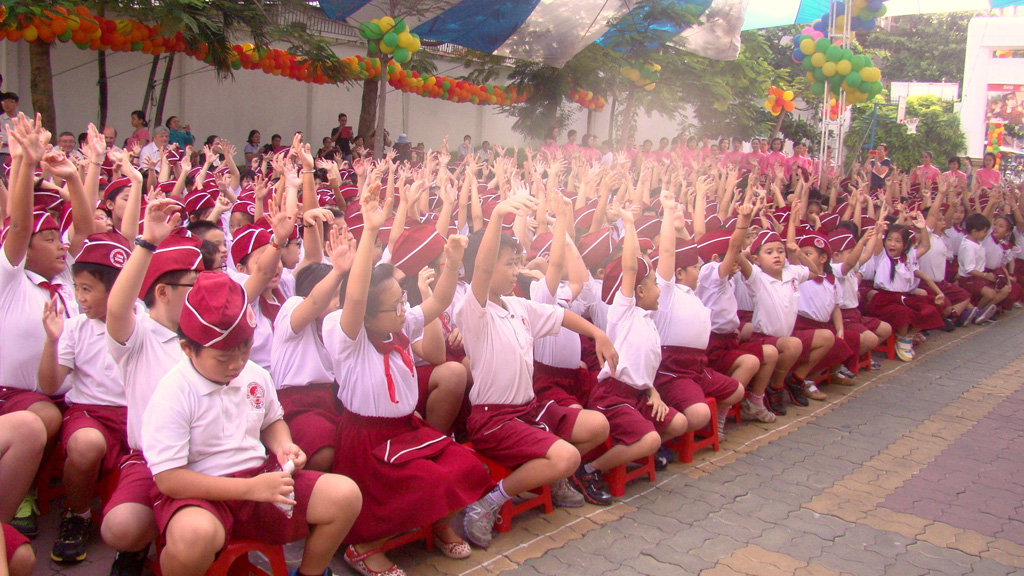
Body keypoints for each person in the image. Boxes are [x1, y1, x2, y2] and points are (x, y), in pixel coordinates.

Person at [141, 271, 361, 576]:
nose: (237, 363)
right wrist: (249, 488)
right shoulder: (173, 392)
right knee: (193, 537)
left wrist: (284, 446)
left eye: (245, 349)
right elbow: (169, 479)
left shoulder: (254, 374)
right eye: (222, 358)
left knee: (345, 496)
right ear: (188, 349)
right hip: (201, 495)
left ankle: (310, 573)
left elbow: (272, 421)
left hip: (260, 483)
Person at [323, 182, 492, 575]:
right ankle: (363, 547)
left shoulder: (398, 326)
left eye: (402, 300)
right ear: (367, 313)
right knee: (426, 480)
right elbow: (356, 299)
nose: (404, 309)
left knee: (461, 465)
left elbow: (436, 303)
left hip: (405, 429)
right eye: (394, 305)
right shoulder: (348, 335)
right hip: (367, 440)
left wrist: (451, 262)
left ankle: (438, 523)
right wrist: (368, 231)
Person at [456, 194, 613, 548]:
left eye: (517, 263)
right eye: (509, 264)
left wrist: (598, 333)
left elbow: (560, 317)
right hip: (493, 420)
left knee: (599, 425)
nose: (516, 271)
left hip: (527, 411)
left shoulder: (517, 305)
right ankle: (488, 503)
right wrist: (496, 215)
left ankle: (552, 473)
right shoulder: (475, 310)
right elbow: (480, 269)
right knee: (568, 455)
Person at [0, 118, 94, 537]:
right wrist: (22, 162)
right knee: (42, 419)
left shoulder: (69, 277)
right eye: (50, 238)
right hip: (19, 396)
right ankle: (18, 498)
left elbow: (87, 232)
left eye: (60, 237)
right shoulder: (11, 280)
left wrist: (75, 177)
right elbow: (17, 224)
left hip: (68, 391)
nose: (62, 245)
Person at [102, 202, 205, 576]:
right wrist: (146, 243)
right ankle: (140, 545)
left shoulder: (203, 334)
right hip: (152, 460)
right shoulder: (140, 337)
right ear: (162, 292)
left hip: (207, 458)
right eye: (192, 286)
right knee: (121, 527)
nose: (200, 293)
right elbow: (116, 309)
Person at [38, 233, 133, 564]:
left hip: (136, 414)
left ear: (117, 289)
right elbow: (50, 384)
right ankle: (77, 514)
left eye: (88, 289)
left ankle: (141, 528)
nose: (79, 297)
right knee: (86, 445)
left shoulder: (144, 324)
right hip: (90, 413)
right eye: (77, 288)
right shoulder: (76, 328)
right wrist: (52, 341)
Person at [867, 215, 944, 361]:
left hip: (903, 297)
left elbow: (926, 247)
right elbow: (877, 244)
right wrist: (878, 230)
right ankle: (902, 340)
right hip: (885, 301)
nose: (893, 244)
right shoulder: (882, 257)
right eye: (889, 240)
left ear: (905, 245)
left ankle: (909, 335)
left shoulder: (907, 258)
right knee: (904, 312)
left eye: (897, 241)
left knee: (931, 308)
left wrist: (923, 228)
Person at [0, 92, 19, 164]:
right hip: (4, 153)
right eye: (4, 102)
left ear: (16, 104)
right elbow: (2, 138)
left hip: (21, 153)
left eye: (10, 101)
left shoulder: (24, 119)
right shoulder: (0, 119)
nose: (6, 104)